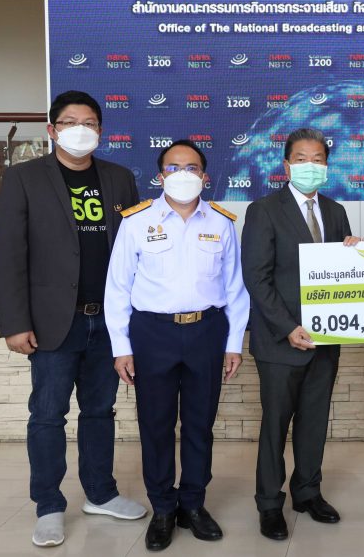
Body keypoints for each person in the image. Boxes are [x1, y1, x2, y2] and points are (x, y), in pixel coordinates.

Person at [0, 91, 146, 547]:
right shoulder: (23, 178)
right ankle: (49, 505)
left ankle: (100, 493)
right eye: (70, 122)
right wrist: (15, 322)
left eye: (90, 122)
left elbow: (136, 251)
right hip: (54, 321)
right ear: (52, 130)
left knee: (100, 410)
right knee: (47, 414)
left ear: (101, 130)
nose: (81, 129)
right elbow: (9, 253)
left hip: (109, 322)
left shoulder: (119, 178)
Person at [104, 140, 249, 551]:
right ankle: (164, 508)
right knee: (156, 424)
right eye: (173, 167)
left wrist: (233, 343)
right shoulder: (136, 222)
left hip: (207, 332)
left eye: (192, 167)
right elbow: (118, 287)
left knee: (200, 424)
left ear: (205, 176)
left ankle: (193, 504)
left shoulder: (221, 222)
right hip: (152, 334)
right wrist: (121, 346)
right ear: (160, 176)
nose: (182, 174)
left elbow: (235, 288)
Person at [241, 128, 362, 541]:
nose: (311, 166)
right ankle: (269, 504)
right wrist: (287, 327)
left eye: (318, 160)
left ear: (327, 165)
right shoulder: (264, 210)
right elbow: (257, 278)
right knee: (275, 426)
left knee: (314, 421)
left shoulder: (336, 210)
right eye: (301, 159)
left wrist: (357, 252)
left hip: (325, 340)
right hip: (281, 342)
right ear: (287, 165)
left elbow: (342, 273)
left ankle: (308, 492)